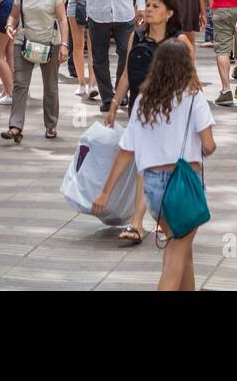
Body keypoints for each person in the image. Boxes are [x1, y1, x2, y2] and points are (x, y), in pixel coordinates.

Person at [91, 41, 215, 291]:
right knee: (175, 257)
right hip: (184, 185)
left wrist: (105, 191)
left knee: (181, 249)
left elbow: (127, 151)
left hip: (153, 187)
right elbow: (209, 145)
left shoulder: (143, 101)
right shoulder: (193, 97)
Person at [105, 0, 195, 244]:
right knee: (144, 163)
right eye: (148, 4)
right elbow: (125, 74)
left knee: (163, 165)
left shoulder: (180, 42)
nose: (149, 9)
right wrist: (113, 105)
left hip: (169, 115)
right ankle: (137, 222)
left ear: (169, 13)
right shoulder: (138, 36)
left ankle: (161, 217)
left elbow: (191, 81)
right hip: (139, 108)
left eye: (156, 6)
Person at [3, 0, 68, 143]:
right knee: (20, 84)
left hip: (50, 42)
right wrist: (9, 26)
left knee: (51, 87)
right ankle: (15, 126)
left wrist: (64, 44)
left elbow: (63, 19)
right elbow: (14, 15)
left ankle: (50, 124)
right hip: (23, 41)